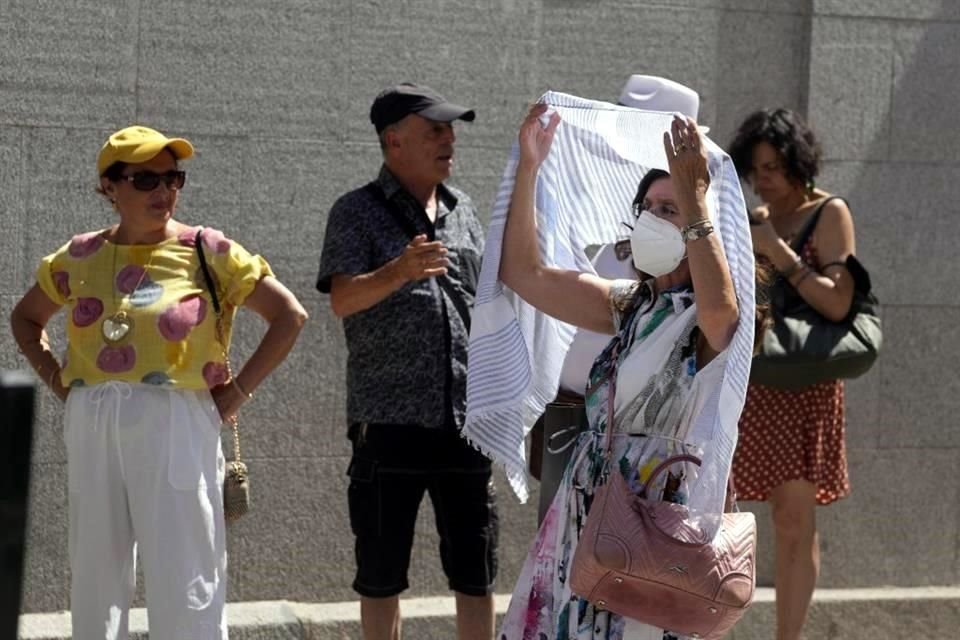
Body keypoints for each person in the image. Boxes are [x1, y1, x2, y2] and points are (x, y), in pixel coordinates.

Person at [9, 125, 307, 639]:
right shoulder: (79, 256)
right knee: (94, 574)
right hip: (93, 418)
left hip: (177, 418)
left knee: (187, 568)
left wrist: (236, 393)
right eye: (146, 180)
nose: (164, 192)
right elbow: (25, 319)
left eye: (173, 178)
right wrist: (60, 382)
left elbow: (289, 315)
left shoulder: (206, 250)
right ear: (110, 186)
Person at [497, 102, 750, 639]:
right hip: (588, 509)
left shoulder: (707, 320)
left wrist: (696, 199)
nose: (652, 218)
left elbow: (720, 313)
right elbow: (525, 272)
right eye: (648, 206)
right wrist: (529, 168)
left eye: (669, 208)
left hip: (656, 519)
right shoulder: (631, 305)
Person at [316, 83, 497, 640]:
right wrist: (398, 271)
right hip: (389, 422)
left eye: (450, 130)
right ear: (394, 142)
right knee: (381, 576)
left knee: (477, 573)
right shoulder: (355, 211)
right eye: (435, 130)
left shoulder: (463, 208)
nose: (449, 140)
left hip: (466, 421)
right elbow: (343, 299)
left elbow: (482, 304)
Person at [530, 76, 710, 519]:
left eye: (666, 207)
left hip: (645, 454)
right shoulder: (617, 239)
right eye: (648, 207)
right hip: (574, 424)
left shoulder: (691, 246)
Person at [728, 108, 855, 640]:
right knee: (727, 517)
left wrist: (777, 252)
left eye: (776, 165)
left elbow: (838, 302)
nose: (766, 178)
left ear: (799, 163)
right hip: (751, 386)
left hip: (803, 386)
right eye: (757, 168)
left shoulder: (829, 213)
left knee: (794, 523)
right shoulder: (751, 215)